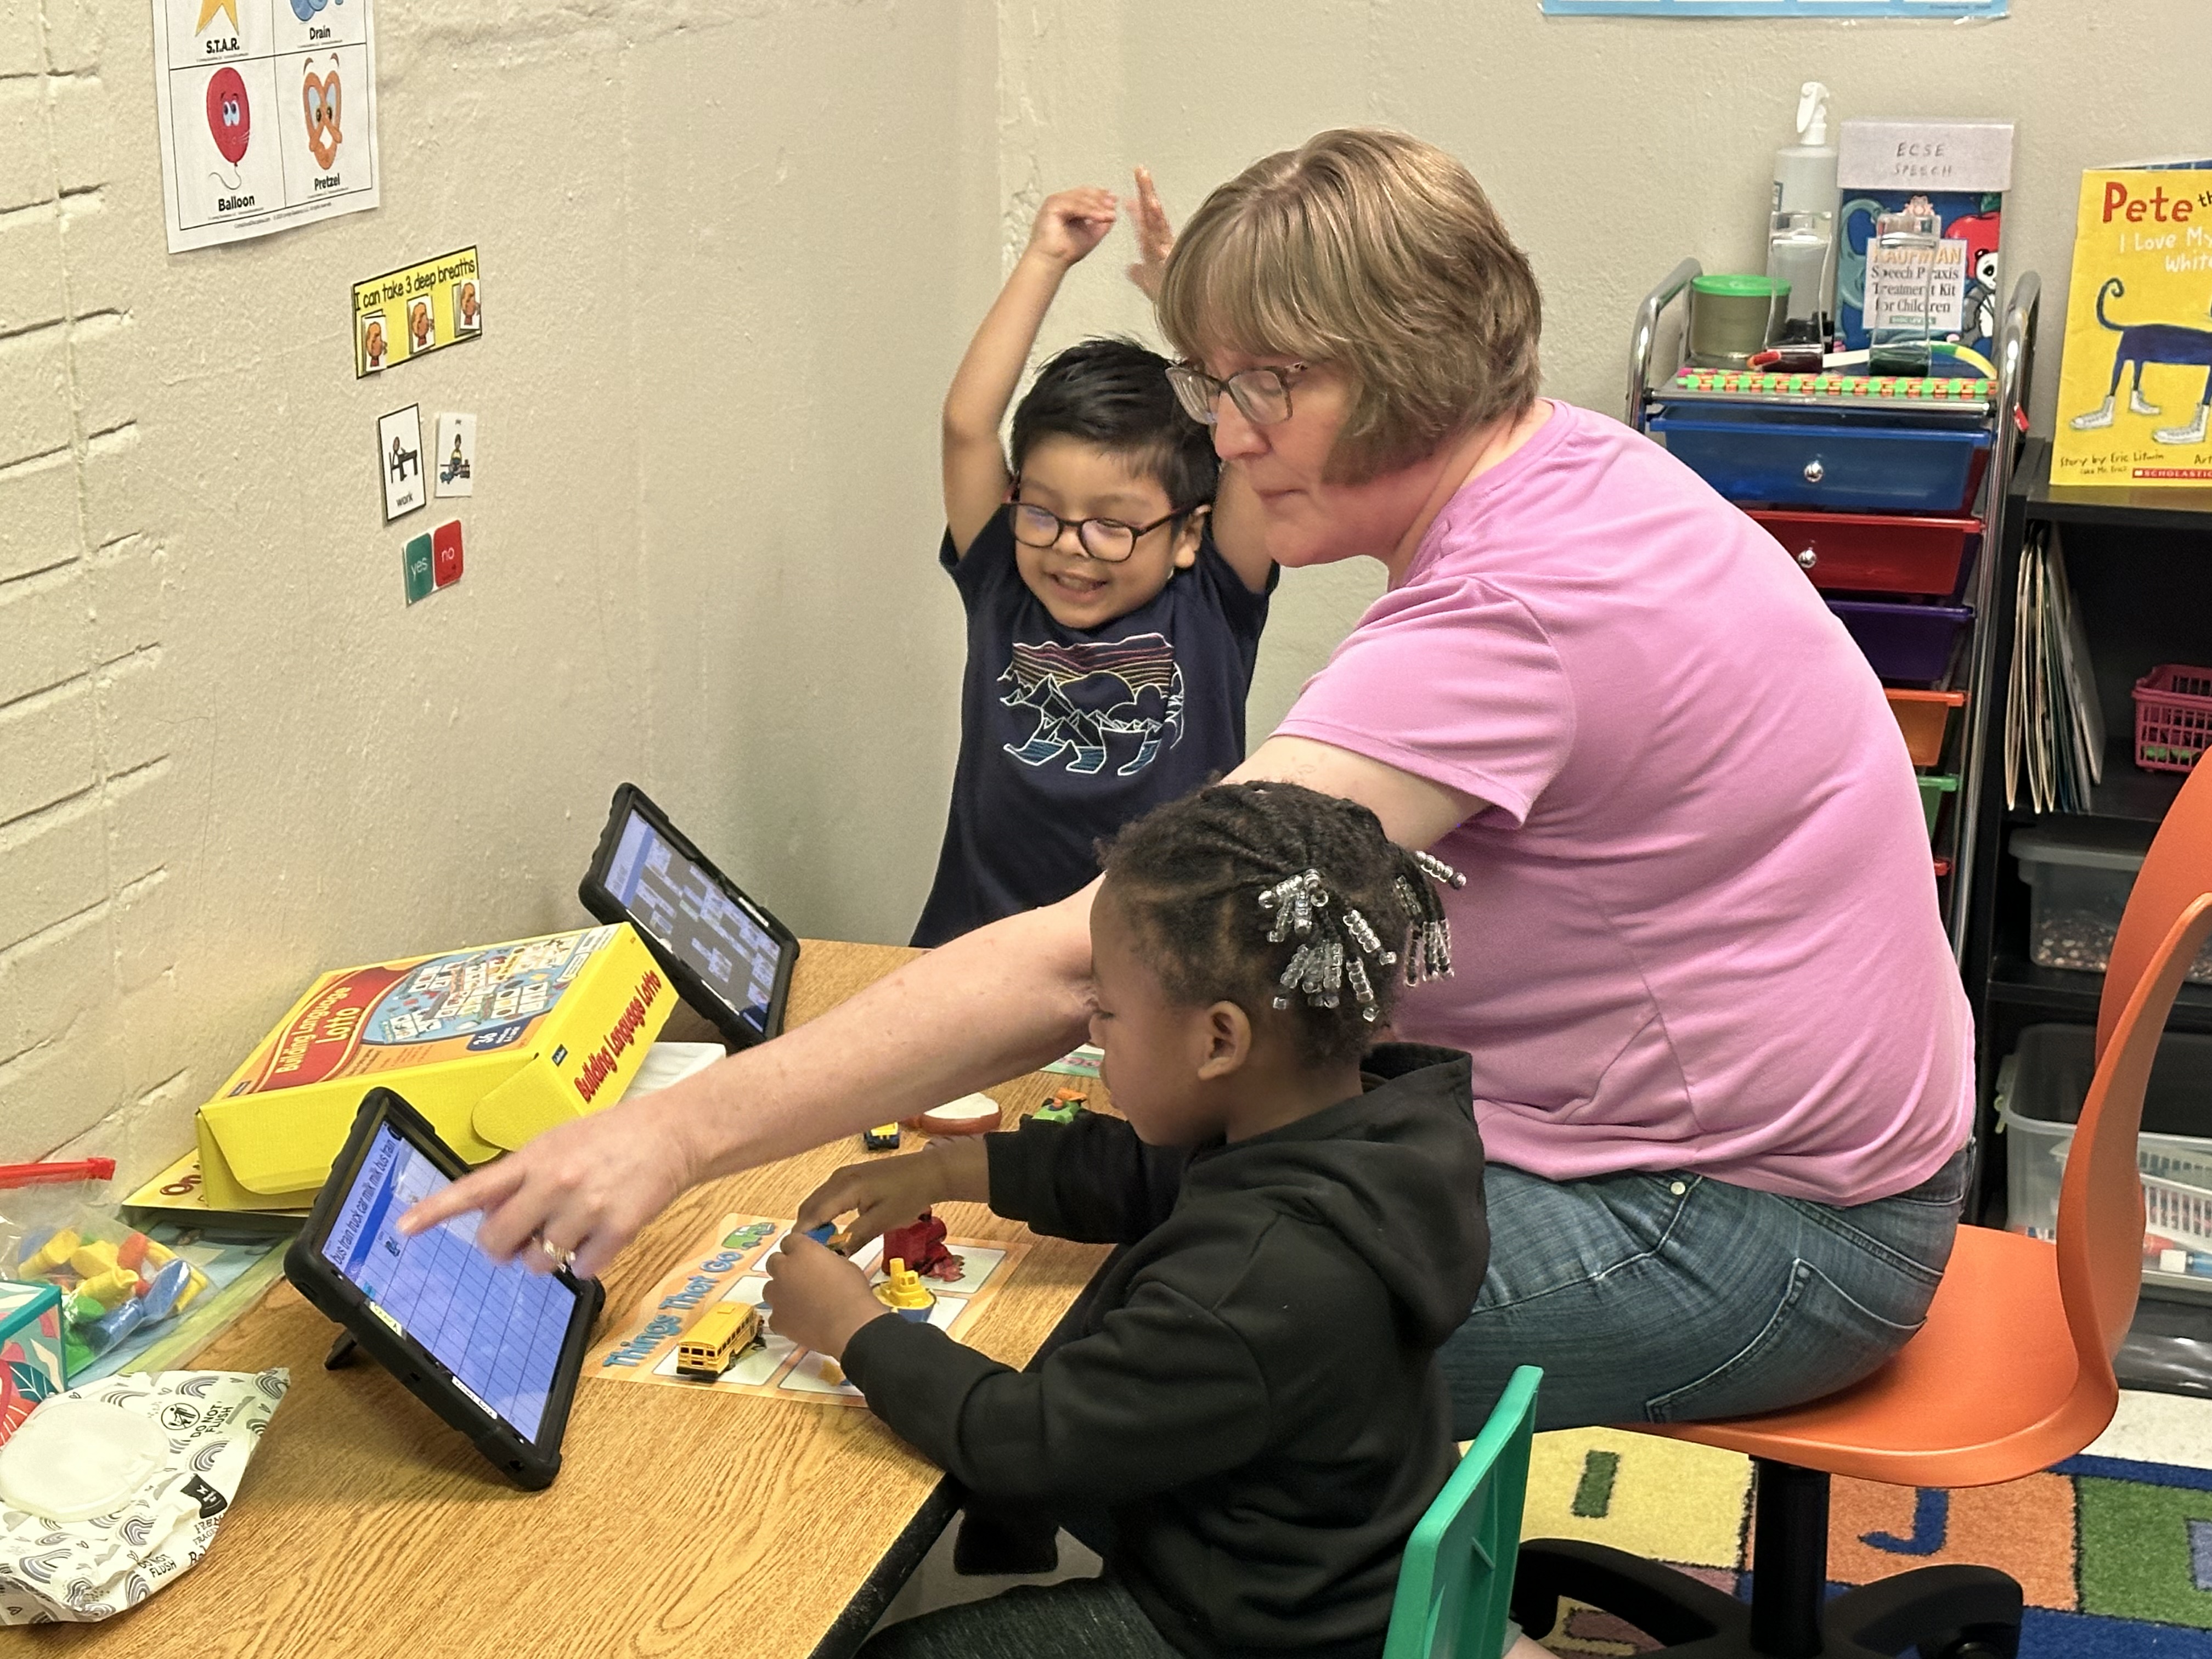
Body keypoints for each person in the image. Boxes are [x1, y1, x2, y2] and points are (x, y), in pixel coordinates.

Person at [404, 129, 1972, 1448]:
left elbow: (1116, 945)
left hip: (1763, 1228)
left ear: (1408, 375)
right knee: (1178, 1188)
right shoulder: (1564, 468)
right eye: (1210, 382)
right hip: (1769, 1146)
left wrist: (675, 1140)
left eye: (1257, 392)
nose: (1222, 439)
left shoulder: (1513, 613)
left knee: (1172, 1347)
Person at [763, 781, 1488, 1659]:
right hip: (1319, 1563)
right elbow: (1144, 1171)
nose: (1093, 1031)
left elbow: (1025, 1442)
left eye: (1105, 1010)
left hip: (1251, 1631)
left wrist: (853, 1326)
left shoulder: (1252, 1281)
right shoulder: (1361, 1137)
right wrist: (950, 1166)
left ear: (1219, 1041)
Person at [911, 178, 1276, 947]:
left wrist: (1200, 323)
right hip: (979, 946)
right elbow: (967, 426)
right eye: (1042, 511)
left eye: (1113, 527)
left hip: (1162, 969)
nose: (1070, 548)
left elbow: (1250, 431)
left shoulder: (1213, 599)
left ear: (1187, 534)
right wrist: (1046, 258)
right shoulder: (1003, 582)